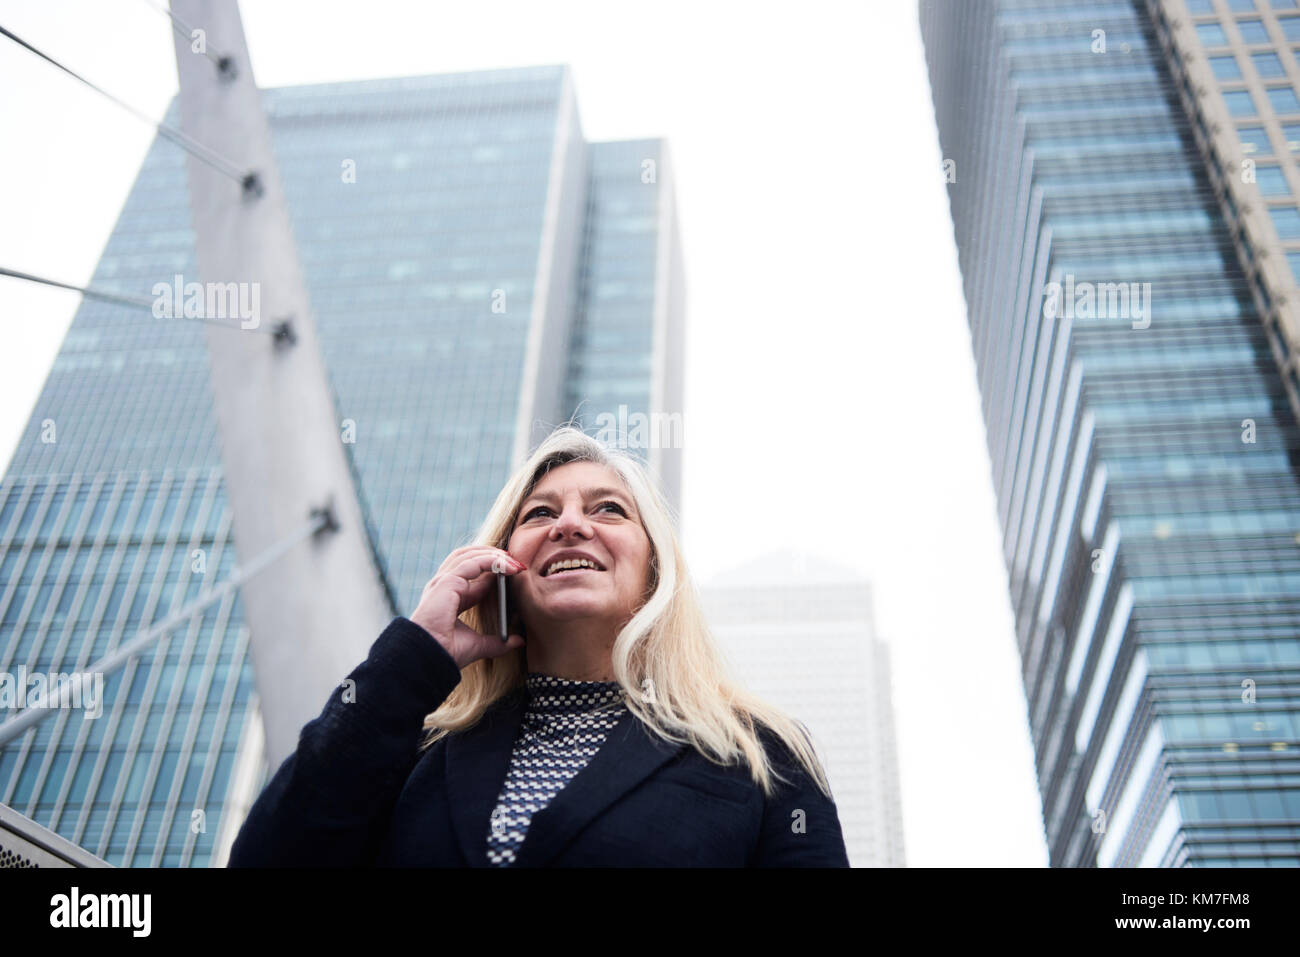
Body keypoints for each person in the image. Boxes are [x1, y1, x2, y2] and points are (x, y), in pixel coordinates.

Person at [228, 425, 849, 866]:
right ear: (501, 568)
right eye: (538, 514)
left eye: (608, 509)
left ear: (653, 573)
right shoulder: (416, 750)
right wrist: (415, 655)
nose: (570, 524)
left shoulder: (761, 752)